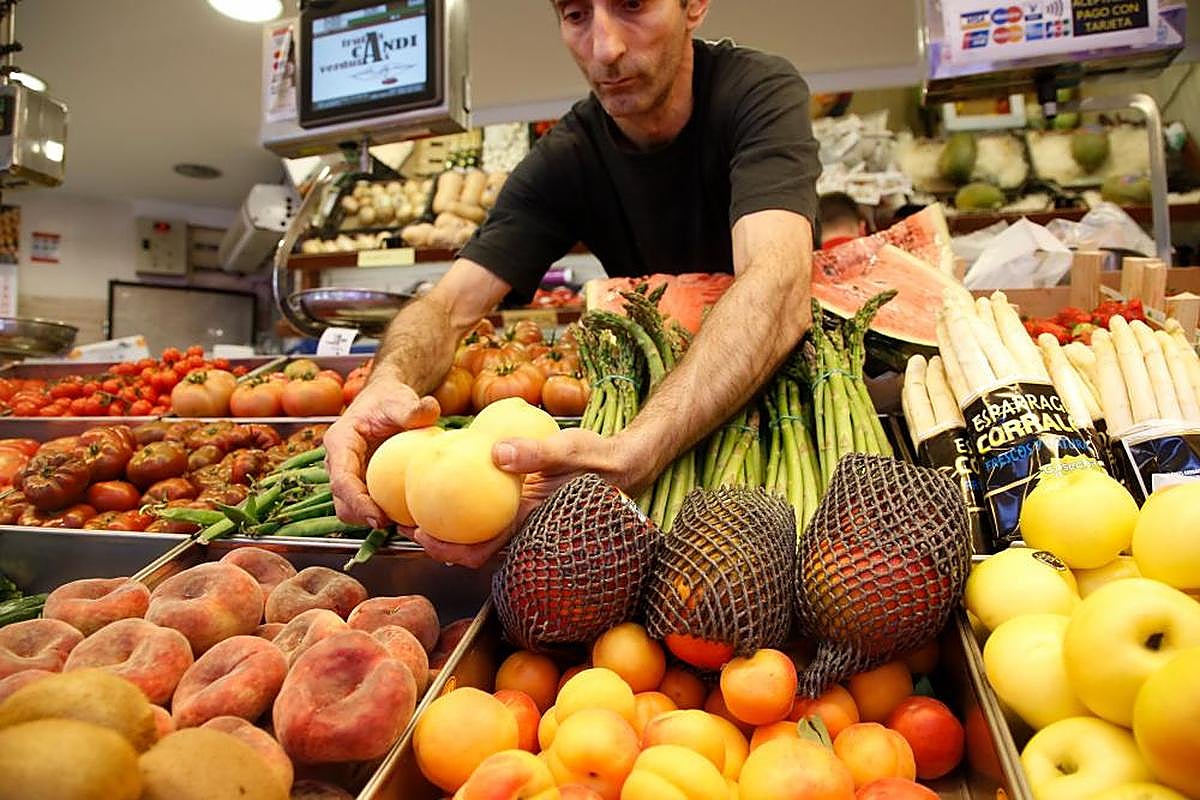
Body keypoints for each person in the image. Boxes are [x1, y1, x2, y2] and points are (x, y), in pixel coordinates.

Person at [326, 0, 821, 567]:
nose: (604, 47)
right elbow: (447, 306)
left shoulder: (756, 91)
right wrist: (385, 382)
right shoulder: (569, 155)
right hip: (658, 394)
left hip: (780, 394)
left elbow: (778, 286)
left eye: (632, 5)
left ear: (694, 7)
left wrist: (636, 449)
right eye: (576, 14)